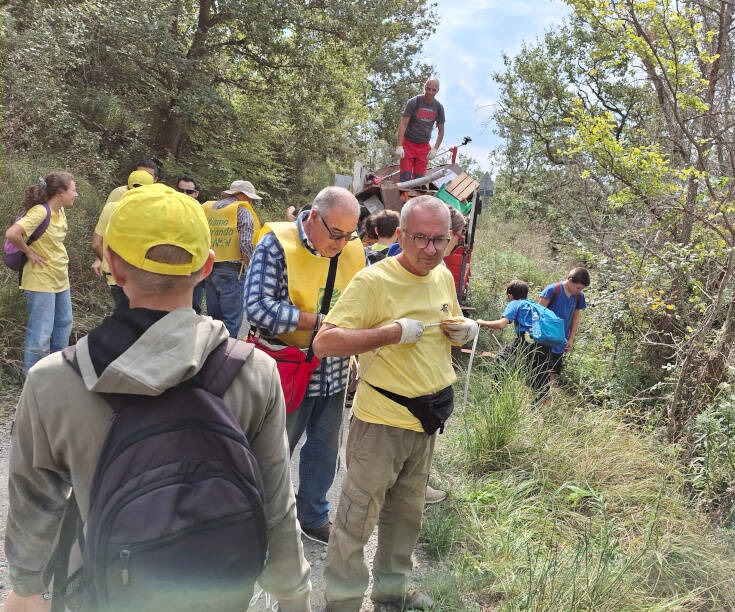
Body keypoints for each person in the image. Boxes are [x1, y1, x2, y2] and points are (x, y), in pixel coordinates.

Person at [3, 183, 312, 612]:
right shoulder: (254, 370)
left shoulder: (54, 380)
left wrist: (26, 586)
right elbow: (276, 498)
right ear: (206, 267)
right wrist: (292, 591)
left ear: (112, 264)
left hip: (107, 589)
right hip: (218, 591)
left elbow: (35, 499)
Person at [314, 195, 478, 611]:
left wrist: (462, 331)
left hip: (426, 421)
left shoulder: (441, 274)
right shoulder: (374, 281)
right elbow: (326, 341)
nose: (430, 249)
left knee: (406, 519)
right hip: (380, 423)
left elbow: (447, 320)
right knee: (355, 522)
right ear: (401, 236)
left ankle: (391, 593)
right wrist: (388, 333)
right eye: (420, 238)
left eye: (440, 240)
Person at [244, 186, 366, 546]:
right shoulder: (276, 245)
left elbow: (361, 305)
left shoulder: (354, 250)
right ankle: (263, 521)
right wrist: (319, 322)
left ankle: (312, 515)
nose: (342, 243)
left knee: (326, 450)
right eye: (335, 234)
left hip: (334, 370)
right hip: (286, 368)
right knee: (275, 449)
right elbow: (258, 307)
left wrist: (354, 351)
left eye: (349, 235)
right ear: (313, 216)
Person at [4, 172, 77, 378]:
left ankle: (54, 373)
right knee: (41, 331)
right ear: (60, 193)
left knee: (64, 324)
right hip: (40, 279)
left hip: (60, 278)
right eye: (73, 190)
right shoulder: (40, 212)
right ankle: (33, 379)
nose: (76, 194)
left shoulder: (60, 211)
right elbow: (12, 233)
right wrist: (29, 253)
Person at [202, 180, 261, 337]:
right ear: (241, 195)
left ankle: (208, 352)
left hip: (209, 267)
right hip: (232, 272)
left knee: (213, 318)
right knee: (231, 320)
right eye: (250, 198)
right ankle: (224, 356)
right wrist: (253, 267)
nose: (251, 202)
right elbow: (245, 243)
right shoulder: (242, 211)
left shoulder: (210, 208)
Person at [91, 169, 156, 309]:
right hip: (142, 278)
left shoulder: (110, 208)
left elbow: (96, 244)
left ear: (127, 187)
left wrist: (104, 260)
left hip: (114, 277)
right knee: (141, 321)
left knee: (123, 318)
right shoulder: (153, 212)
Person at [535, 267, 590, 396]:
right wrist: (535, 335)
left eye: (581, 289)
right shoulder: (552, 290)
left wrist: (571, 338)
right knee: (539, 368)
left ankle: (546, 396)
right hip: (544, 338)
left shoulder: (578, 296)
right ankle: (536, 394)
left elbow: (575, 317)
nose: (579, 291)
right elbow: (537, 313)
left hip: (560, 340)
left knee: (552, 370)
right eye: (578, 287)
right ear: (570, 280)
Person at [396, 78, 445, 182]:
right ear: (425, 87)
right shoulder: (414, 102)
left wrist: (435, 148)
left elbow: (441, 131)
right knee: (405, 177)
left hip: (423, 147)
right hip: (408, 144)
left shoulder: (439, 107)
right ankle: (403, 197)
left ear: (437, 91)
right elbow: (403, 123)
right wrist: (399, 145)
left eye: (433, 90)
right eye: (428, 89)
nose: (430, 92)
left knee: (419, 181)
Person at [176, 175, 205, 313]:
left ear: (196, 193)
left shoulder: (203, 211)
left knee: (194, 305)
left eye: (189, 192)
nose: (184, 195)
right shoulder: (168, 208)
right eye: (181, 190)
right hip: (172, 263)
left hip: (194, 264)